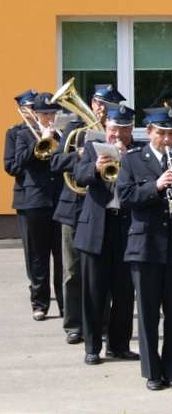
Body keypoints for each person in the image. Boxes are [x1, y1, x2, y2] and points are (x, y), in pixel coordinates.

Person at [117, 107, 172, 390]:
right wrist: (155, 186)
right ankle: (153, 373)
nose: (167, 139)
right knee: (149, 313)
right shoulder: (132, 161)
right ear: (149, 132)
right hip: (145, 245)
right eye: (162, 133)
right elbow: (125, 197)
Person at [73, 104, 141, 364]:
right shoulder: (92, 147)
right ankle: (92, 347)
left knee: (124, 292)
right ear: (106, 128)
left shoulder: (138, 153)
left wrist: (126, 162)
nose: (118, 135)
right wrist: (95, 169)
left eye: (123, 129)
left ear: (131, 129)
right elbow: (79, 176)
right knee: (93, 292)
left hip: (126, 227)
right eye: (113, 129)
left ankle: (119, 345)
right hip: (96, 228)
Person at [13, 92, 64, 321]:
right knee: (38, 255)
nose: (49, 118)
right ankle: (40, 303)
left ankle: (66, 305)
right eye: (45, 114)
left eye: (52, 113)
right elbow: (17, 163)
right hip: (35, 201)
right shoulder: (21, 134)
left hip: (60, 199)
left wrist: (56, 138)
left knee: (62, 257)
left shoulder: (64, 134)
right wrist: (39, 140)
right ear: (36, 114)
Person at [4, 90, 38, 288]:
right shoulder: (14, 133)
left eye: (35, 108)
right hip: (26, 196)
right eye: (28, 108)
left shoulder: (50, 132)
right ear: (21, 111)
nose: (32, 112)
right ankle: (35, 284)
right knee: (31, 246)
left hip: (50, 197)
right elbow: (11, 166)